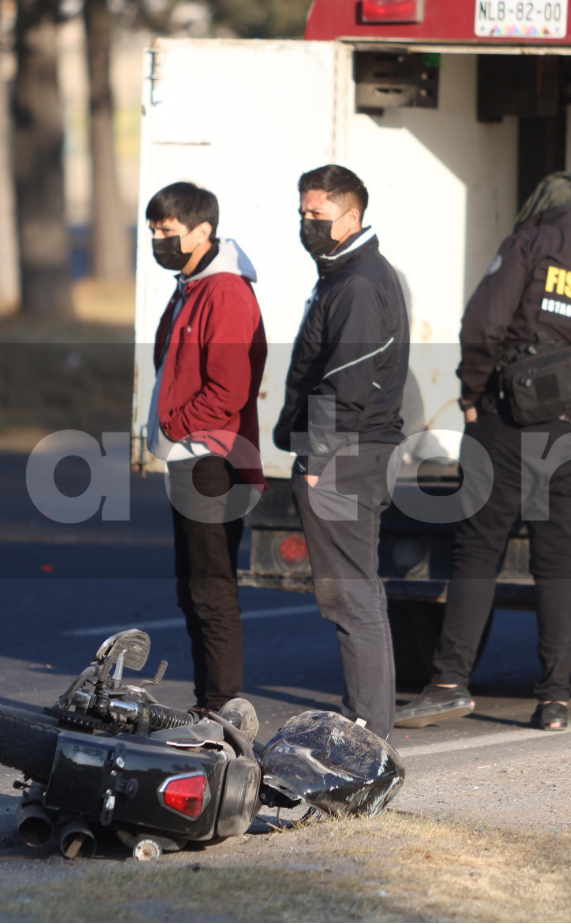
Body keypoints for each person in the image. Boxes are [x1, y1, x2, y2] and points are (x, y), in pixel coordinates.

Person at [394, 173, 571, 733]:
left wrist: (470, 391)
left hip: (509, 421)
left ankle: (448, 684)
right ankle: (555, 701)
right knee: (558, 563)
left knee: (478, 551)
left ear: (542, 207)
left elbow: (482, 322)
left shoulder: (529, 246)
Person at [274, 164, 410, 739]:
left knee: (351, 601)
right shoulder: (346, 273)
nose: (307, 224)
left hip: (345, 458)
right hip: (356, 453)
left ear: (350, 216)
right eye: (303, 214)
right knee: (359, 597)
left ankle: (368, 733)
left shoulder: (355, 282)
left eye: (318, 216)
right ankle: (371, 722)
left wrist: (318, 459)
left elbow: (346, 382)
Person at [145, 181, 268, 713]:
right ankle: (208, 701)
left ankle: (220, 706)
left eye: (167, 232)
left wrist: (175, 424)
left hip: (211, 459)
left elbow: (229, 389)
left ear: (203, 232)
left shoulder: (224, 292)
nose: (157, 240)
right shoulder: (190, 285)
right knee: (192, 587)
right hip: (190, 456)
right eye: (152, 230)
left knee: (211, 588)